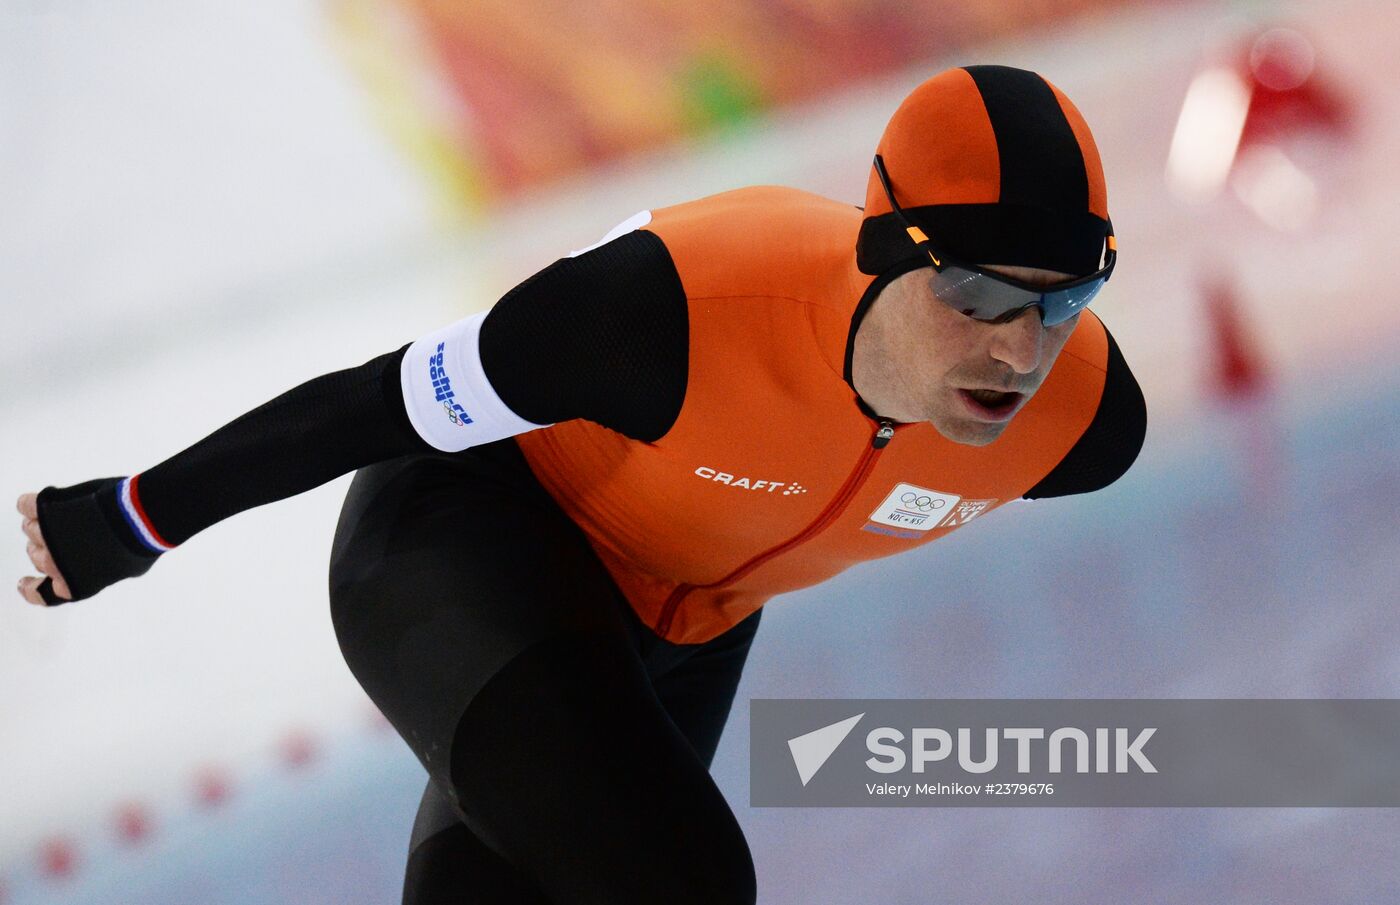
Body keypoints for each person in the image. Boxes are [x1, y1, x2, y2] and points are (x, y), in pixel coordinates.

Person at [14, 64, 1145, 903]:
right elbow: (375, 400)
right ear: (881, 251)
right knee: (681, 882)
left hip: (682, 619)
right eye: (982, 298)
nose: (1018, 351)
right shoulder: (664, 311)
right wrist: (133, 515)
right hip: (468, 538)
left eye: (1060, 301)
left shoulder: (1082, 427)